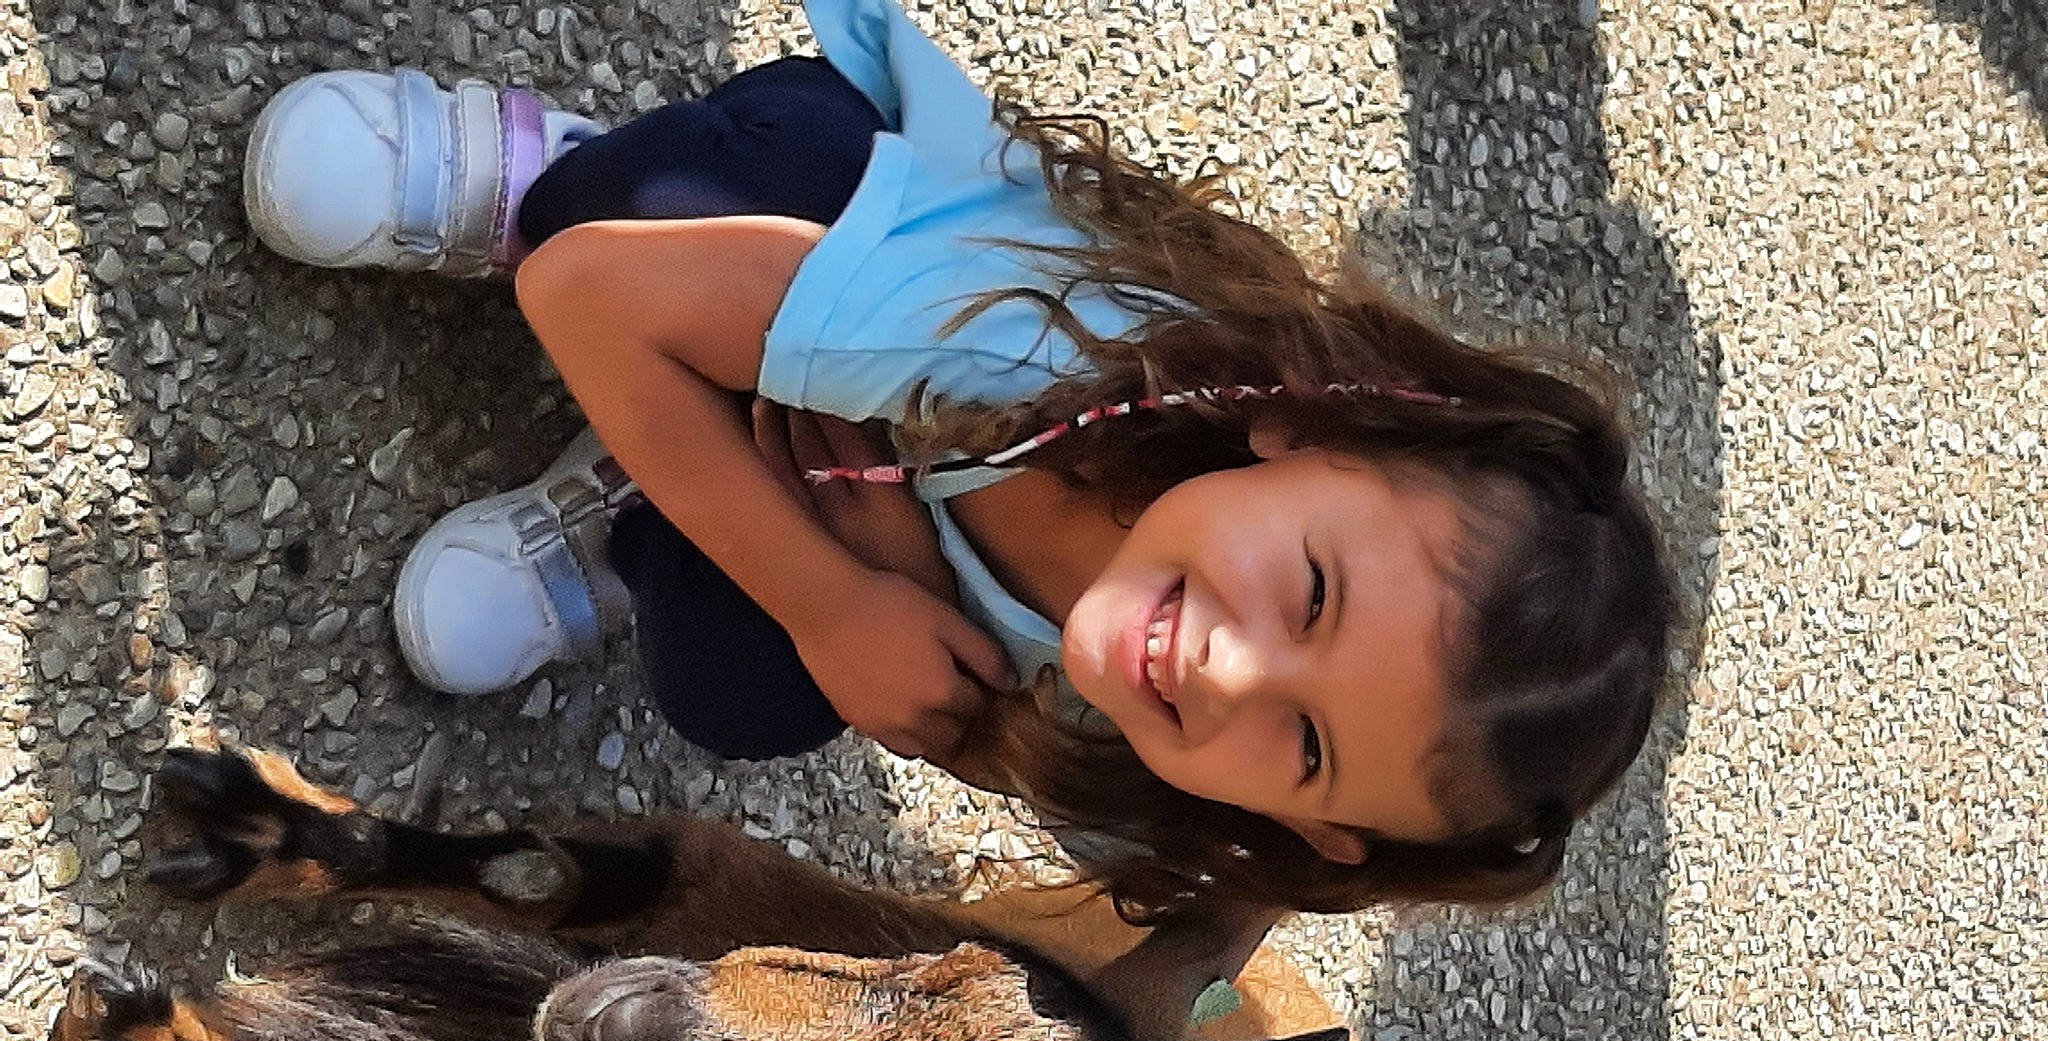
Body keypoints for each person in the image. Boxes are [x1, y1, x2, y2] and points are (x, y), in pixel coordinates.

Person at [238, 0, 1673, 917]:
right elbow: (583, 298)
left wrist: (884, 579)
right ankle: (546, 178)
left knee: (742, 701)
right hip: (822, 229)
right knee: (635, 228)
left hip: (874, 463)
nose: (1230, 675)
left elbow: (1082, 802)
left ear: (1328, 835)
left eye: (1307, 748)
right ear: (1319, 431)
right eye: (1308, 595)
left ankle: (651, 481)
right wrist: (829, 598)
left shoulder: (1179, 784)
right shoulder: (1026, 344)